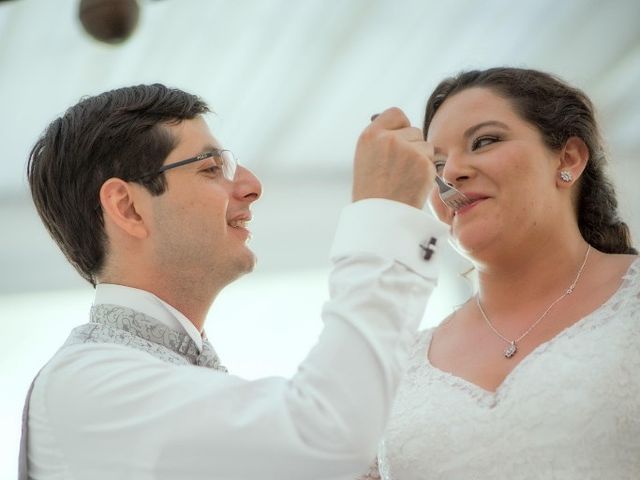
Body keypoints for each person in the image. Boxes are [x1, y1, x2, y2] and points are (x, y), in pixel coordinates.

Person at [21, 84, 448, 479]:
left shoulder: (148, 377)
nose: (251, 186)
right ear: (128, 207)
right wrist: (384, 216)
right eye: (211, 168)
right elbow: (325, 435)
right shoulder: (88, 384)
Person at [359, 67, 640, 479]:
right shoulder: (395, 365)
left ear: (569, 158)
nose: (450, 172)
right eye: (436, 163)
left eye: (485, 141)